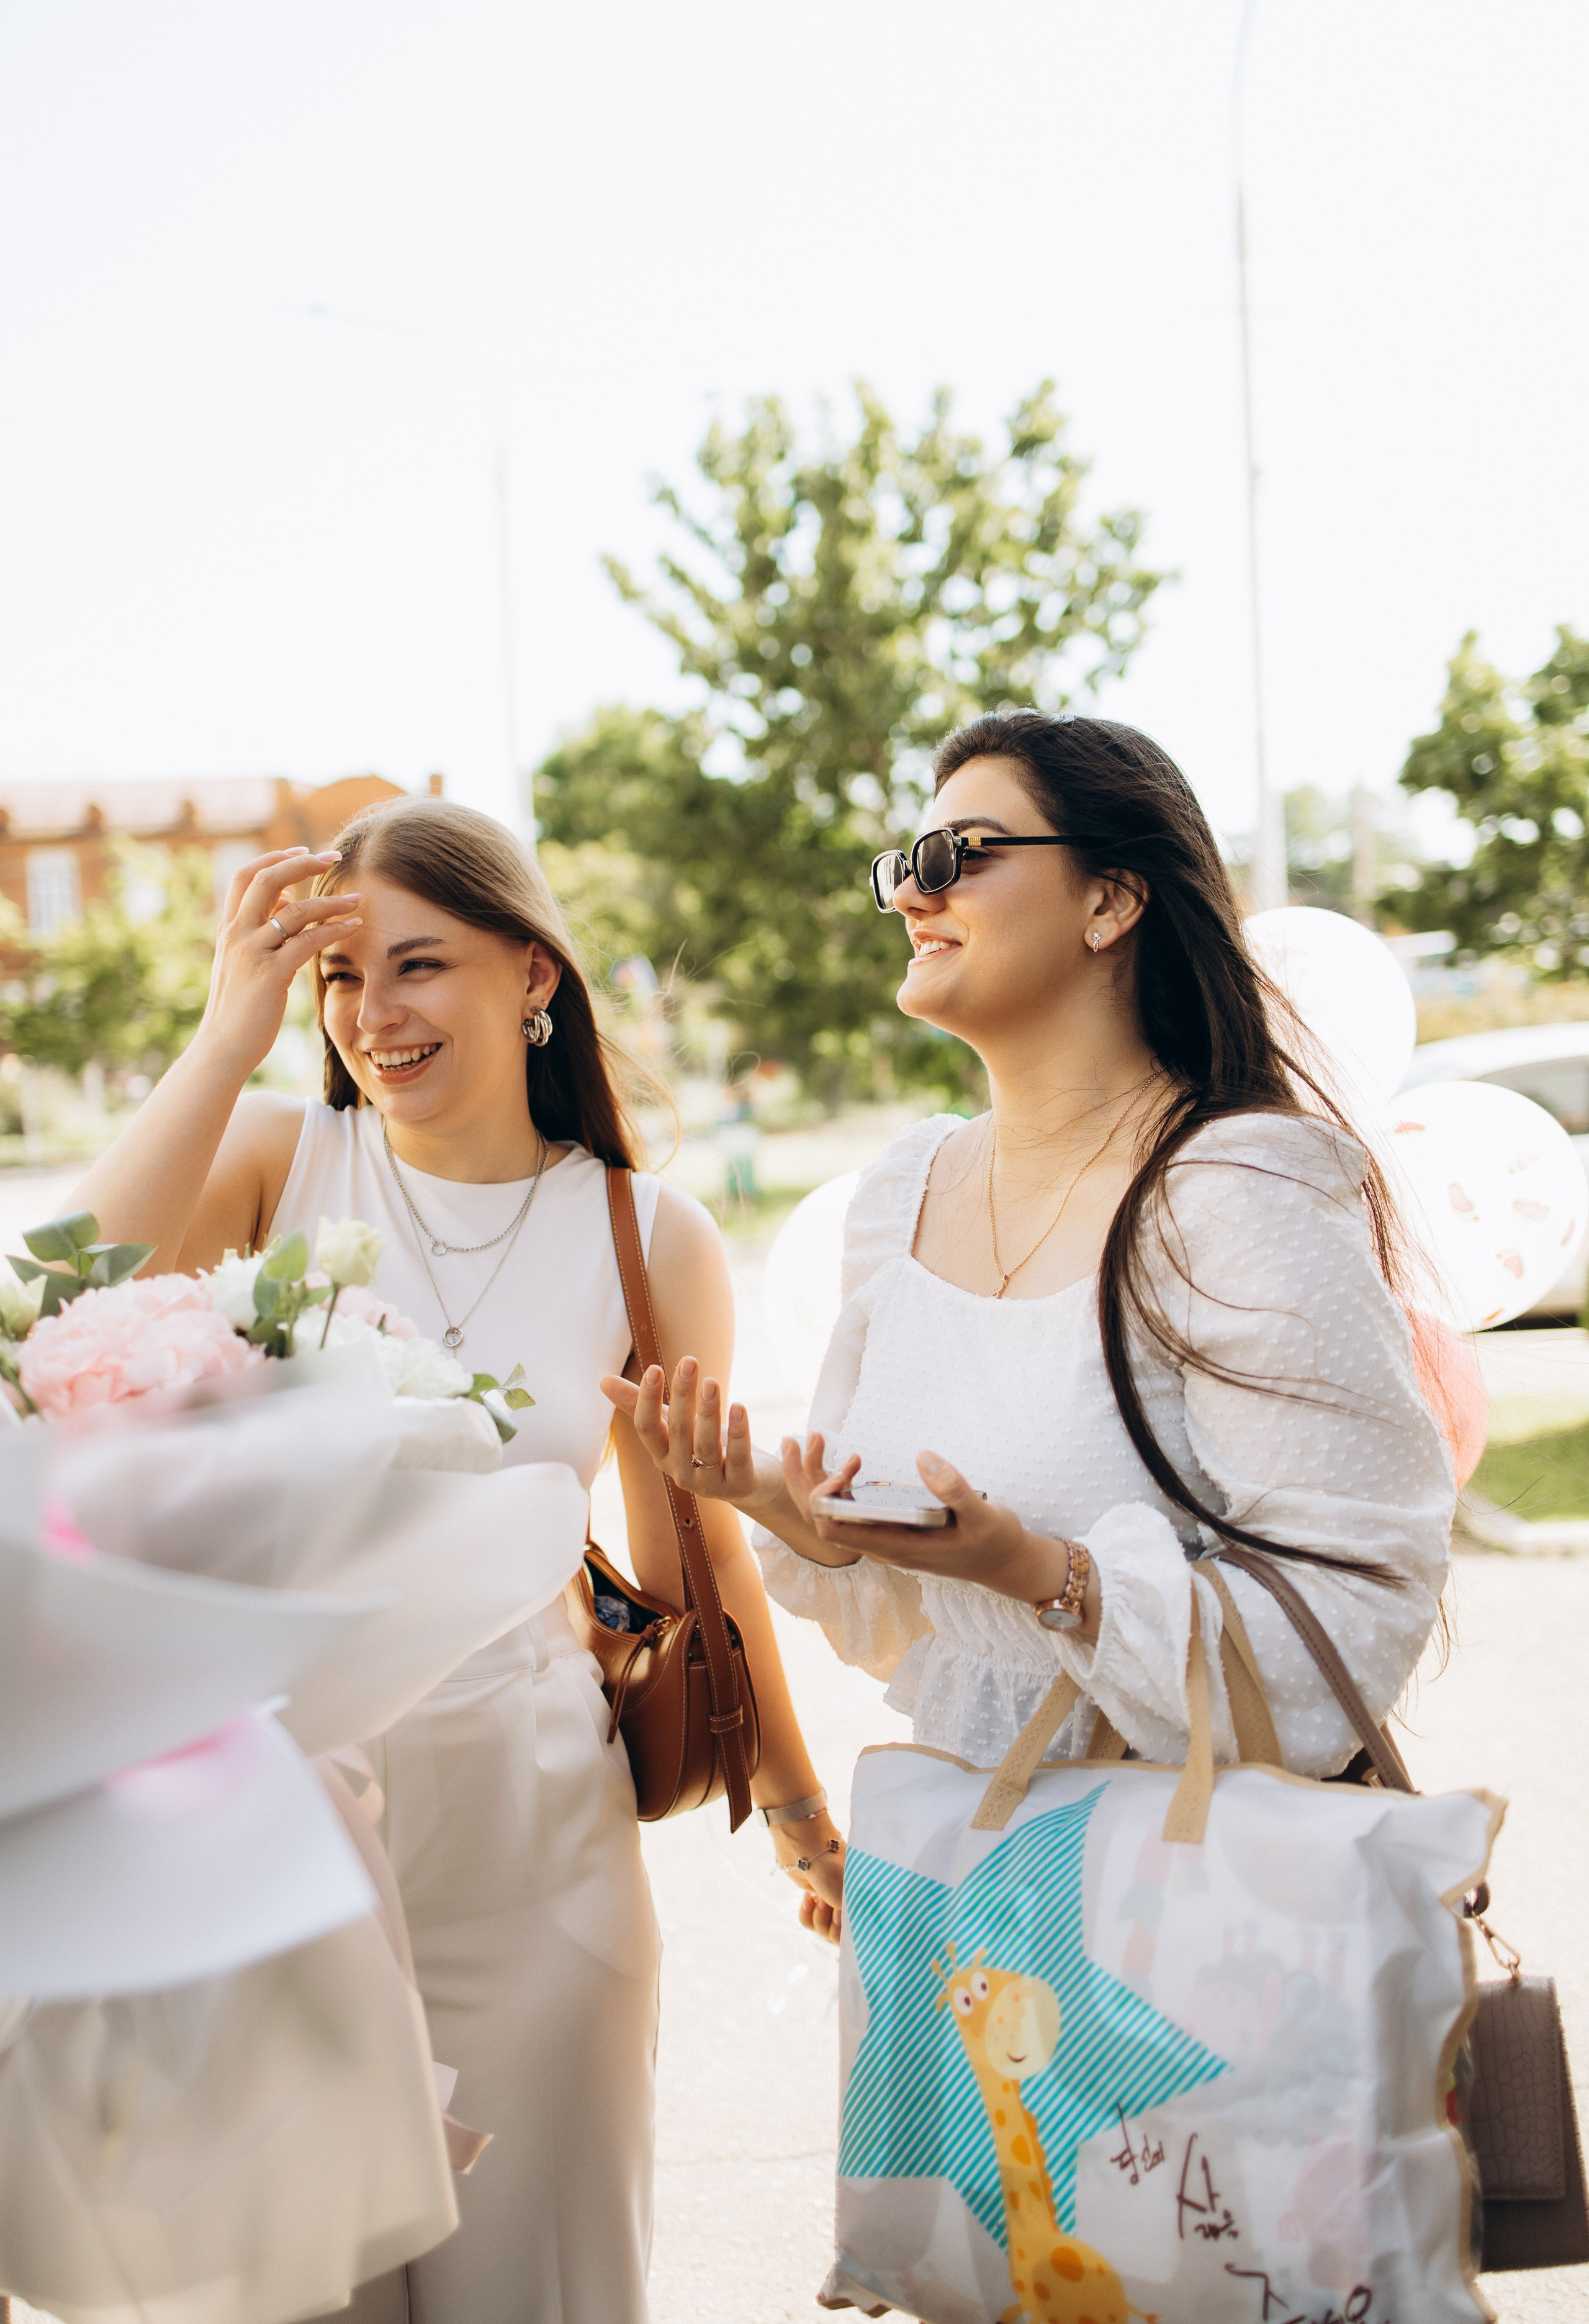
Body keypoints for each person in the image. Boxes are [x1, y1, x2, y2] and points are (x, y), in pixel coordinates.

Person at [75, 795, 844, 2324]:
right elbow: (62, 1307)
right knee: (292, 2294)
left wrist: (805, 1821)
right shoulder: (271, 1164)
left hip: (535, 1842)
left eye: (417, 966)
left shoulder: (646, 1234)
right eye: (339, 980)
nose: (375, 1015)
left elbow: (690, 1568)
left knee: (539, 2291)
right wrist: (231, 1026)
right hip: (277, 1850)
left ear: (531, 973)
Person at [608, 710, 1453, 1879]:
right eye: (905, 865)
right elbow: (921, 1628)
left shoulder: (1237, 1188)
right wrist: (777, 1501)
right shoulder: (902, 1195)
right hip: (974, 1896)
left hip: (1199, 1907)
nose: (913, 895)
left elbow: (1357, 1626)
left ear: (1111, 901)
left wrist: (1037, 1570)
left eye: (959, 857)